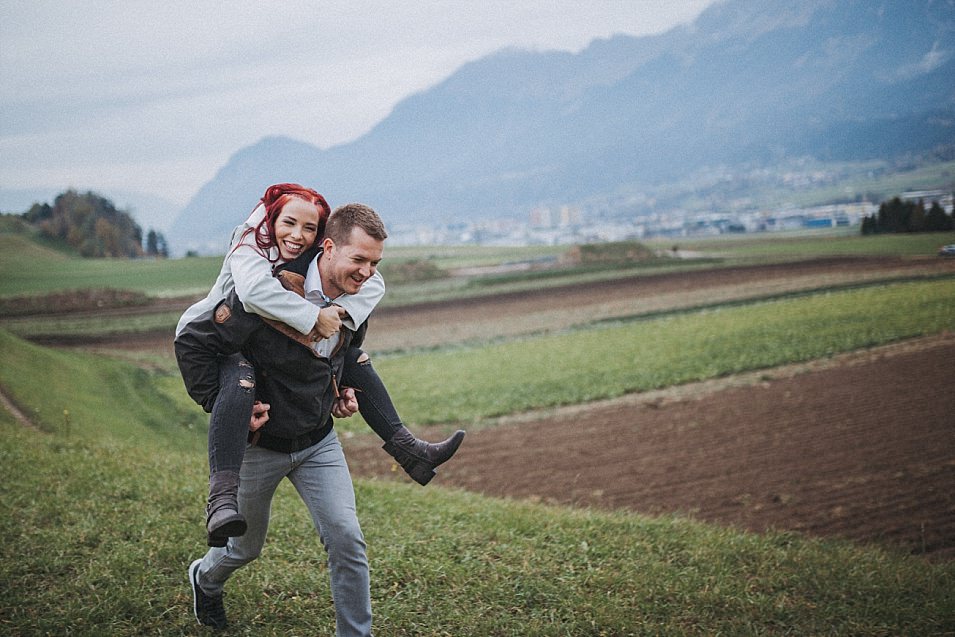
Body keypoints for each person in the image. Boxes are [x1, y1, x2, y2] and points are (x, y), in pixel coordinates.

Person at [175, 184, 464, 547]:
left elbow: (356, 321)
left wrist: (337, 385)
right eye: (289, 223)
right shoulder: (252, 258)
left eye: (308, 228)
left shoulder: (340, 281)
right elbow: (236, 307)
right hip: (220, 343)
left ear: (320, 237)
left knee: (354, 358)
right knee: (241, 549)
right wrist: (313, 318)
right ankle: (220, 501)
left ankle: (409, 450)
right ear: (271, 221)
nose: (298, 235)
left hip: (314, 435)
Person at [176, 204, 390, 634]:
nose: (368, 272)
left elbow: (340, 354)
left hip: (318, 443)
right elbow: (202, 346)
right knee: (243, 549)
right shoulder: (264, 289)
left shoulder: (356, 295)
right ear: (327, 248)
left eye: (375, 263)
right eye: (360, 260)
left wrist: (339, 389)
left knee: (347, 538)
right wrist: (222, 403)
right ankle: (205, 579)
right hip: (261, 447)